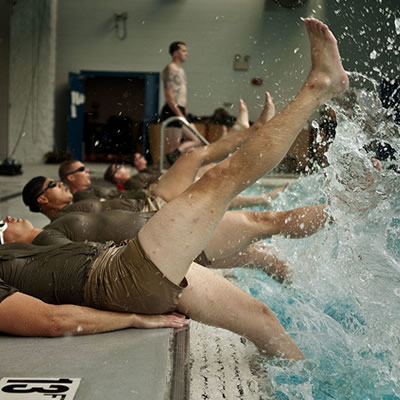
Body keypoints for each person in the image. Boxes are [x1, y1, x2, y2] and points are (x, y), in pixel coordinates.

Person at [2, 18, 349, 359]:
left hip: (129, 261)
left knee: (262, 319)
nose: (6, 219)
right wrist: (134, 318)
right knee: (221, 178)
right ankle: (319, 86)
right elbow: (52, 321)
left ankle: (345, 219)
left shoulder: (41, 242)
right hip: (121, 276)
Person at [2, 193, 328, 283]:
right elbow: (91, 263)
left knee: (257, 256)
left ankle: (299, 284)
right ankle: (341, 213)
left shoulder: (54, 227)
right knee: (264, 221)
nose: (8, 218)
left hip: (172, 239)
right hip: (175, 237)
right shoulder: (47, 242)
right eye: (2, 227)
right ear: (9, 244)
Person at [160, 41, 201, 165]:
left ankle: (174, 157)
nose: (186, 54)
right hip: (172, 110)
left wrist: (185, 112)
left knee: (196, 139)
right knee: (174, 146)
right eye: (183, 51)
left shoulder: (181, 71)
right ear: (175, 53)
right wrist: (179, 114)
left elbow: (181, 93)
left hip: (181, 110)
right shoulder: (170, 68)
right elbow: (169, 94)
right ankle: (170, 173)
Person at [58, 159, 144, 202]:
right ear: (71, 178)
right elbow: (108, 207)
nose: (87, 170)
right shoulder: (81, 196)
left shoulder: (89, 191)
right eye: (82, 169)